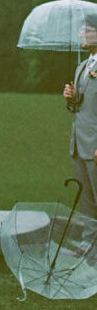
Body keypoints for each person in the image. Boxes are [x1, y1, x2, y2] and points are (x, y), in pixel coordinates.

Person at [62, 17, 97, 220]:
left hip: (94, 146)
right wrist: (73, 98)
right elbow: (77, 108)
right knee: (85, 198)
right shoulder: (82, 67)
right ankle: (89, 243)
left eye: (87, 30)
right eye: (81, 30)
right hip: (78, 144)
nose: (81, 34)